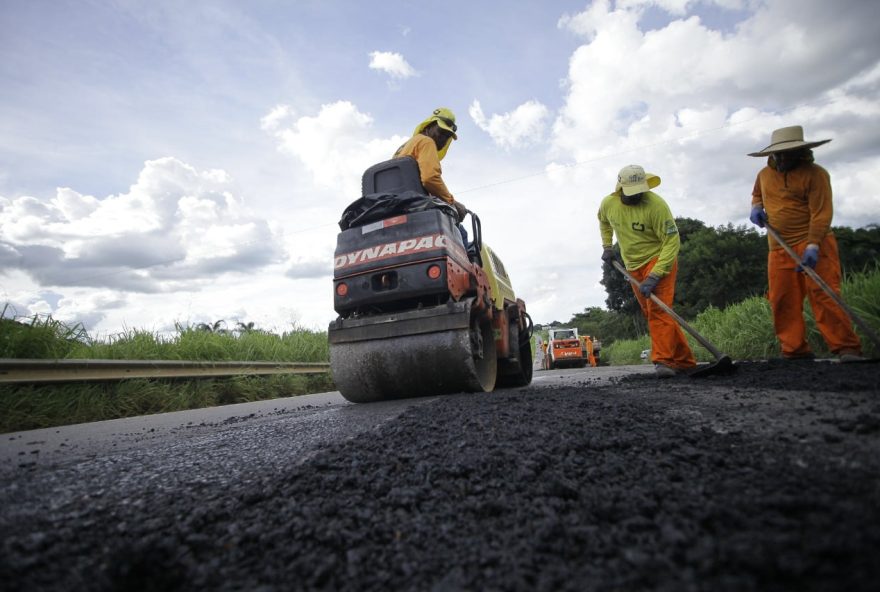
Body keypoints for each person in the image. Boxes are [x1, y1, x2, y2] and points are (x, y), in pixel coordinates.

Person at [748, 125, 864, 362]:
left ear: (800, 152)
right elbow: (757, 194)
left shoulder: (816, 174)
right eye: (777, 154)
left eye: (786, 153)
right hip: (778, 247)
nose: (780, 158)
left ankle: (846, 348)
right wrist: (756, 207)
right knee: (782, 300)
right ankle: (794, 350)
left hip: (814, 243)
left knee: (824, 295)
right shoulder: (764, 174)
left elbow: (821, 213)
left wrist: (813, 245)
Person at [598, 164, 696, 378]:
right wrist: (607, 246)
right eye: (632, 192)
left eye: (640, 191)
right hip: (632, 266)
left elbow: (672, 241)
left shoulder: (656, 206)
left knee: (659, 312)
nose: (637, 196)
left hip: (659, 259)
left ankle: (663, 361)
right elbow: (604, 222)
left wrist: (656, 274)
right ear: (620, 188)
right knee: (654, 312)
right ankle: (684, 361)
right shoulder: (608, 204)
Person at [393, 108, 469, 227]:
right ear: (429, 126)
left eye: (447, 136)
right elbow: (430, 179)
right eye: (441, 132)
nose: (443, 139)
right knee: (459, 230)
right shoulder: (427, 142)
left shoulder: (407, 146)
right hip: (416, 207)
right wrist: (452, 202)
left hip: (397, 206)